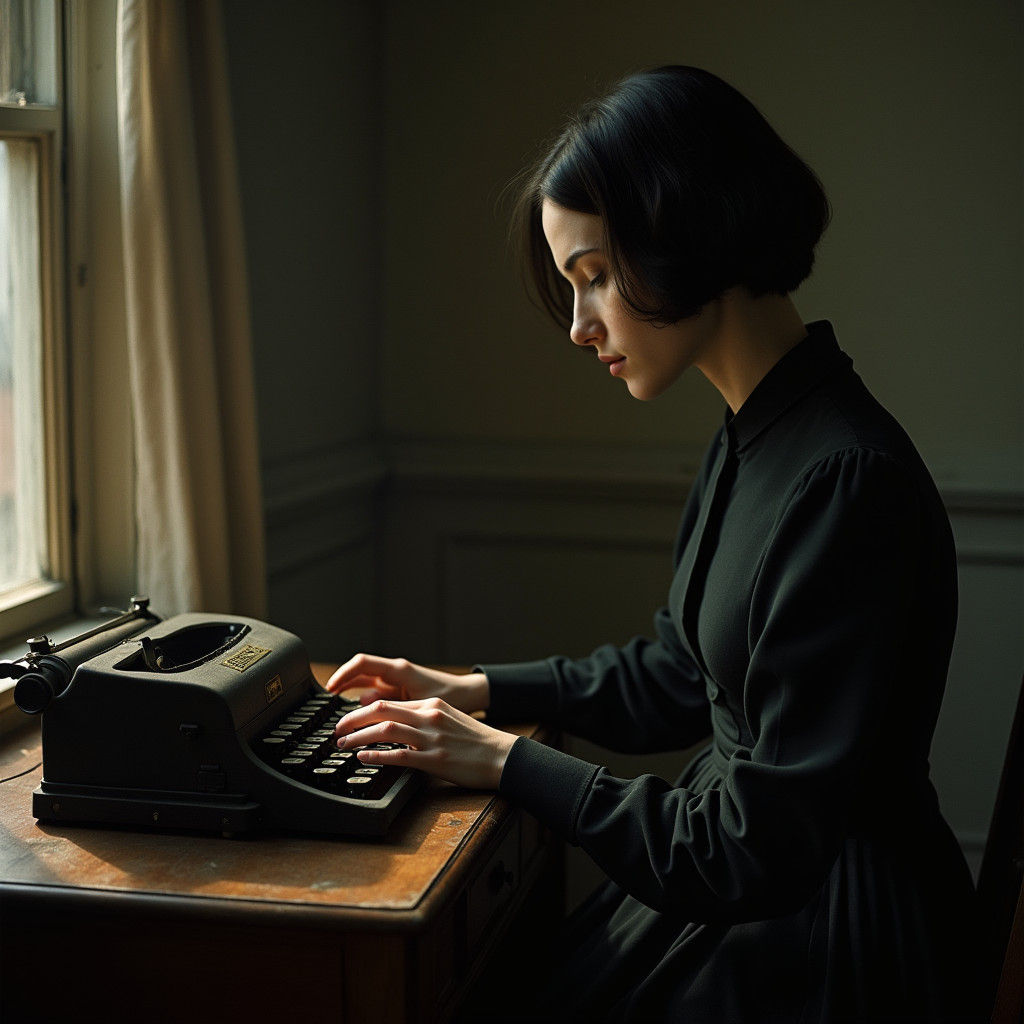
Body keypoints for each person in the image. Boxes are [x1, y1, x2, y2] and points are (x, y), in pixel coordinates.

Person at [328, 66, 981, 1022]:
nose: (581, 327)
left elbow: (758, 846)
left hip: (824, 938)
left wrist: (503, 761)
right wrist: (480, 692)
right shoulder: (755, 432)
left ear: (687, 232)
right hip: (745, 888)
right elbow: (678, 675)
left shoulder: (847, 478)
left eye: (594, 277)